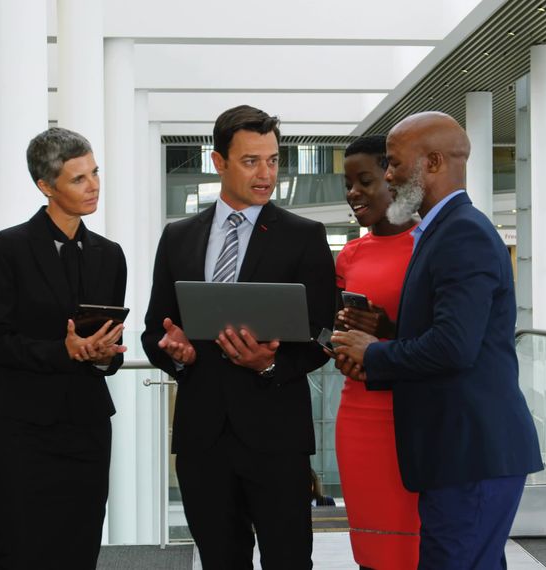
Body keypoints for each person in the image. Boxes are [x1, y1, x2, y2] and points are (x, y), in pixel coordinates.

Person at [332, 112, 543, 569]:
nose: (389, 175)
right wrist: (386, 331)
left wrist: (374, 353)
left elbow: (454, 347)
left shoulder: (461, 232)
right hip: (461, 452)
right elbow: (454, 335)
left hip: (469, 453)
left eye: (394, 163)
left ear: (432, 163)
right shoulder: (442, 230)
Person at [141, 105, 335, 569]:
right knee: (220, 561)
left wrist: (269, 364)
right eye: (251, 161)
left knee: (289, 562)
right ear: (218, 162)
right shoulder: (178, 237)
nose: (266, 174)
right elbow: (153, 331)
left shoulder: (305, 236)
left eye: (273, 160)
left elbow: (324, 334)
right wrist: (177, 353)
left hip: (277, 439)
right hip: (202, 440)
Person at [0, 127, 127, 569]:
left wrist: (103, 357)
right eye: (79, 178)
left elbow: (108, 341)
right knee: (19, 549)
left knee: (80, 546)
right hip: (22, 430)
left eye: (95, 172)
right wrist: (64, 351)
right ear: (46, 186)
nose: (93, 185)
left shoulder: (110, 255)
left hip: (87, 427)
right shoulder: (7, 249)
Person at [332, 135, 420, 570]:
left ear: (393, 178)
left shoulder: (429, 244)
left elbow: (449, 338)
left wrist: (387, 332)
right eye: (348, 185)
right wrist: (340, 345)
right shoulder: (348, 255)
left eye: (364, 181)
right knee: (371, 548)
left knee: (416, 545)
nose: (353, 193)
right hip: (358, 412)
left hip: (414, 412)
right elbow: (336, 330)